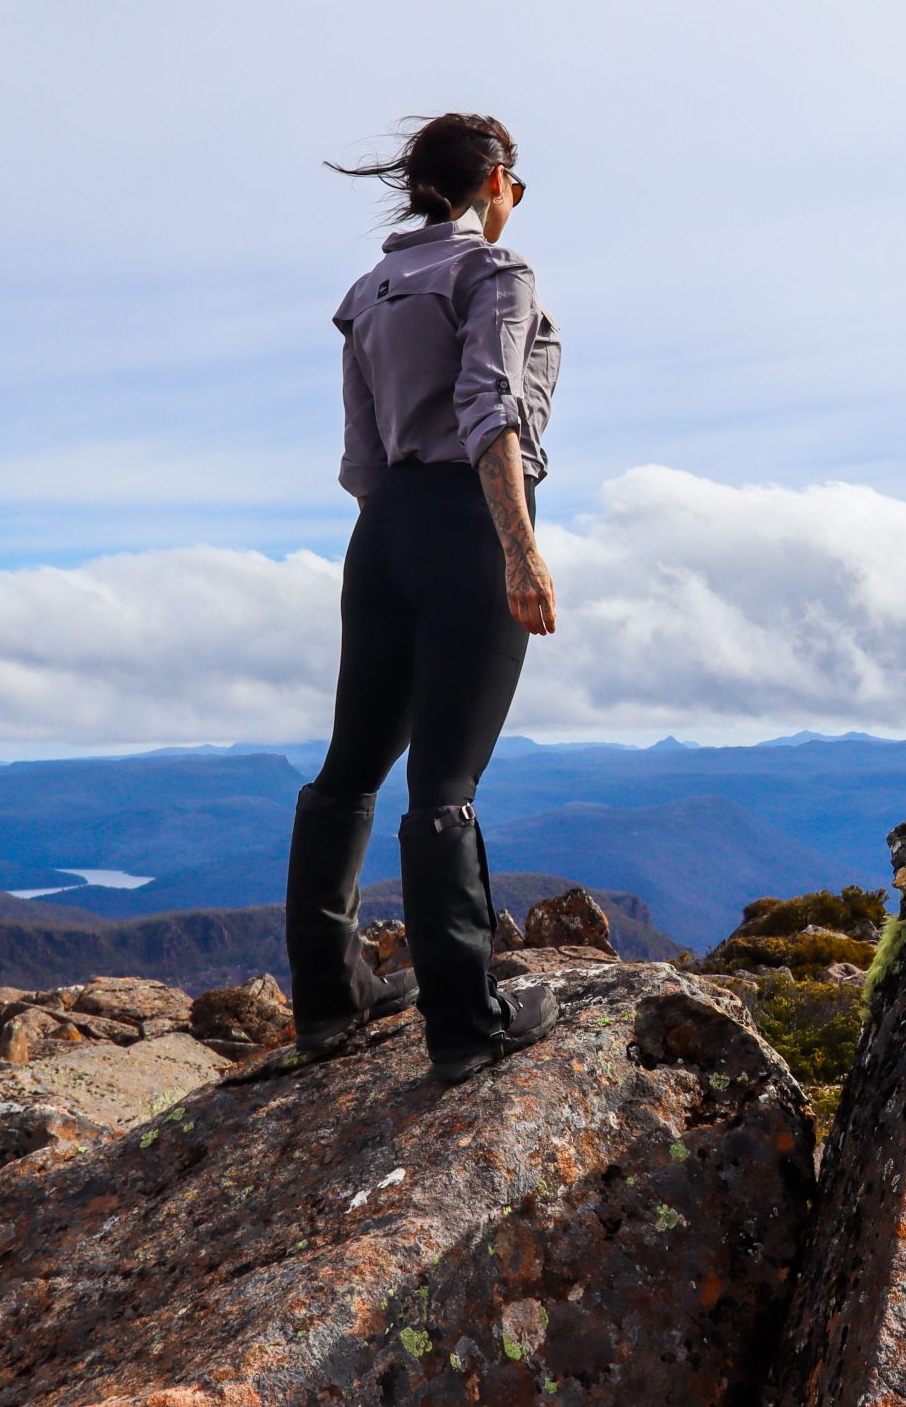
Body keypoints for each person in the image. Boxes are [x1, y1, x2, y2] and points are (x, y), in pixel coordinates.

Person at [284, 112, 564, 1083]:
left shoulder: (367, 293)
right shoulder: (494, 271)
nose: (515, 201)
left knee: (349, 765)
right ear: (495, 179)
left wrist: (399, 542)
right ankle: (468, 1025)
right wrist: (517, 550)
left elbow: (362, 456)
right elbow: (491, 408)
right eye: (516, 184)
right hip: (465, 524)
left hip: (383, 535)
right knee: (443, 781)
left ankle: (329, 1002)